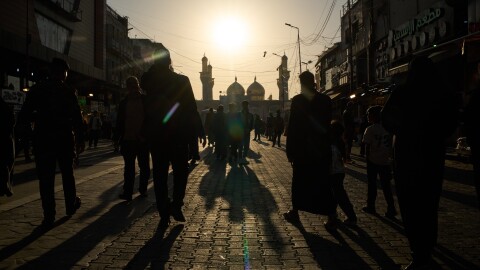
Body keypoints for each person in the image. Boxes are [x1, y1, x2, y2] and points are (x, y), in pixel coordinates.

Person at [382, 56, 458, 269]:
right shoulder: (443, 94)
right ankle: (427, 246)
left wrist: (404, 131)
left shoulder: (402, 93)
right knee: (429, 203)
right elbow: (452, 123)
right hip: (432, 155)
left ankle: (418, 252)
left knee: (410, 203)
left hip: (407, 156)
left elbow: (386, 119)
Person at [17, 58, 84, 229]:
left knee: (46, 179)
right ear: (64, 73)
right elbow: (77, 118)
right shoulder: (68, 92)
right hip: (64, 139)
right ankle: (70, 205)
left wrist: (37, 120)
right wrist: (80, 139)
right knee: (68, 174)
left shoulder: (37, 90)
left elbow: (24, 115)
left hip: (43, 139)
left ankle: (49, 215)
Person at [141, 46, 199, 228]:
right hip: (178, 135)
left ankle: (164, 210)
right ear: (170, 61)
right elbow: (190, 109)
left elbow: (145, 80)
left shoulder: (149, 80)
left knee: (159, 174)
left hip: (158, 135)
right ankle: (176, 204)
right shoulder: (182, 80)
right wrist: (193, 137)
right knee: (181, 173)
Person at [284, 71, 337, 230]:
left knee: (300, 181)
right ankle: (331, 216)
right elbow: (327, 124)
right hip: (321, 148)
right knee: (323, 182)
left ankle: (295, 211)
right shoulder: (326, 100)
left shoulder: (298, 100)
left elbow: (293, 126)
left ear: (302, 83)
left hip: (303, 149)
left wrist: (290, 150)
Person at [115, 76, 151, 201]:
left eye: (134, 85)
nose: (133, 88)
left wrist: (145, 134)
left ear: (138, 86)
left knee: (144, 167)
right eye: (131, 86)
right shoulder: (124, 103)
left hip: (142, 140)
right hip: (128, 139)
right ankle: (128, 192)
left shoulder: (145, 101)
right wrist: (117, 138)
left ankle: (142, 189)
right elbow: (120, 122)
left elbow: (150, 120)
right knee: (129, 168)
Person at [361, 105, 397, 218]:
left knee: (372, 185)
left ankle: (371, 206)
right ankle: (391, 208)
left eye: (369, 115)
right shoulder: (388, 128)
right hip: (385, 161)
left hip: (373, 160)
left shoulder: (370, 129)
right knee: (386, 186)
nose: (367, 117)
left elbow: (367, 145)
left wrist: (367, 158)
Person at [330, 120, 357, 225]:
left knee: (340, 196)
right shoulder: (339, 142)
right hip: (339, 172)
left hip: (334, 173)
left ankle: (352, 217)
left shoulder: (333, 145)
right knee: (335, 195)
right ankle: (332, 214)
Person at [0, 96, 14, 197]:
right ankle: (5, 185)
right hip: (5, 138)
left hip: (4, 138)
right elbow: (11, 121)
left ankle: (4, 185)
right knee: (6, 163)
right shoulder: (5, 106)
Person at [239, 100, 254, 164]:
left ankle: (244, 157)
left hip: (247, 132)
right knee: (240, 145)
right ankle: (240, 158)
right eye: (244, 105)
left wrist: (249, 129)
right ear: (242, 106)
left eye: (246, 105)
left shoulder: (250, 115)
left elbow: (252, 124)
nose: (245, 106)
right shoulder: (239, 114)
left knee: (246, 146)